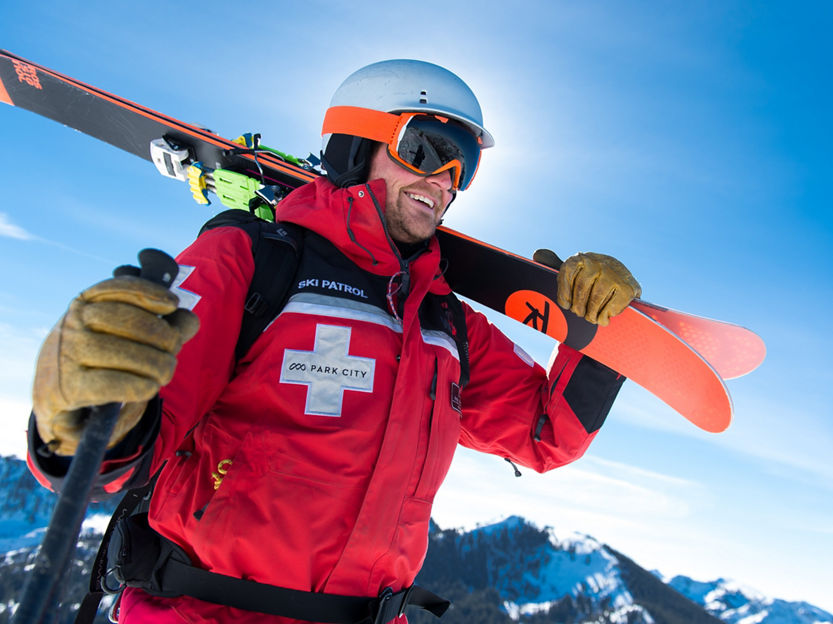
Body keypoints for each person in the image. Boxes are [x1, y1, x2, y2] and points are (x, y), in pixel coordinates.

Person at [27, 60, 641, 624]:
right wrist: (80, 410)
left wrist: (598, 337)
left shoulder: (444, 322)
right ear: (356, 142)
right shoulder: (253, 260)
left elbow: (546, 435)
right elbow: (112, 459)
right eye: (425, 150)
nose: (446, 179)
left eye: (464, 167)